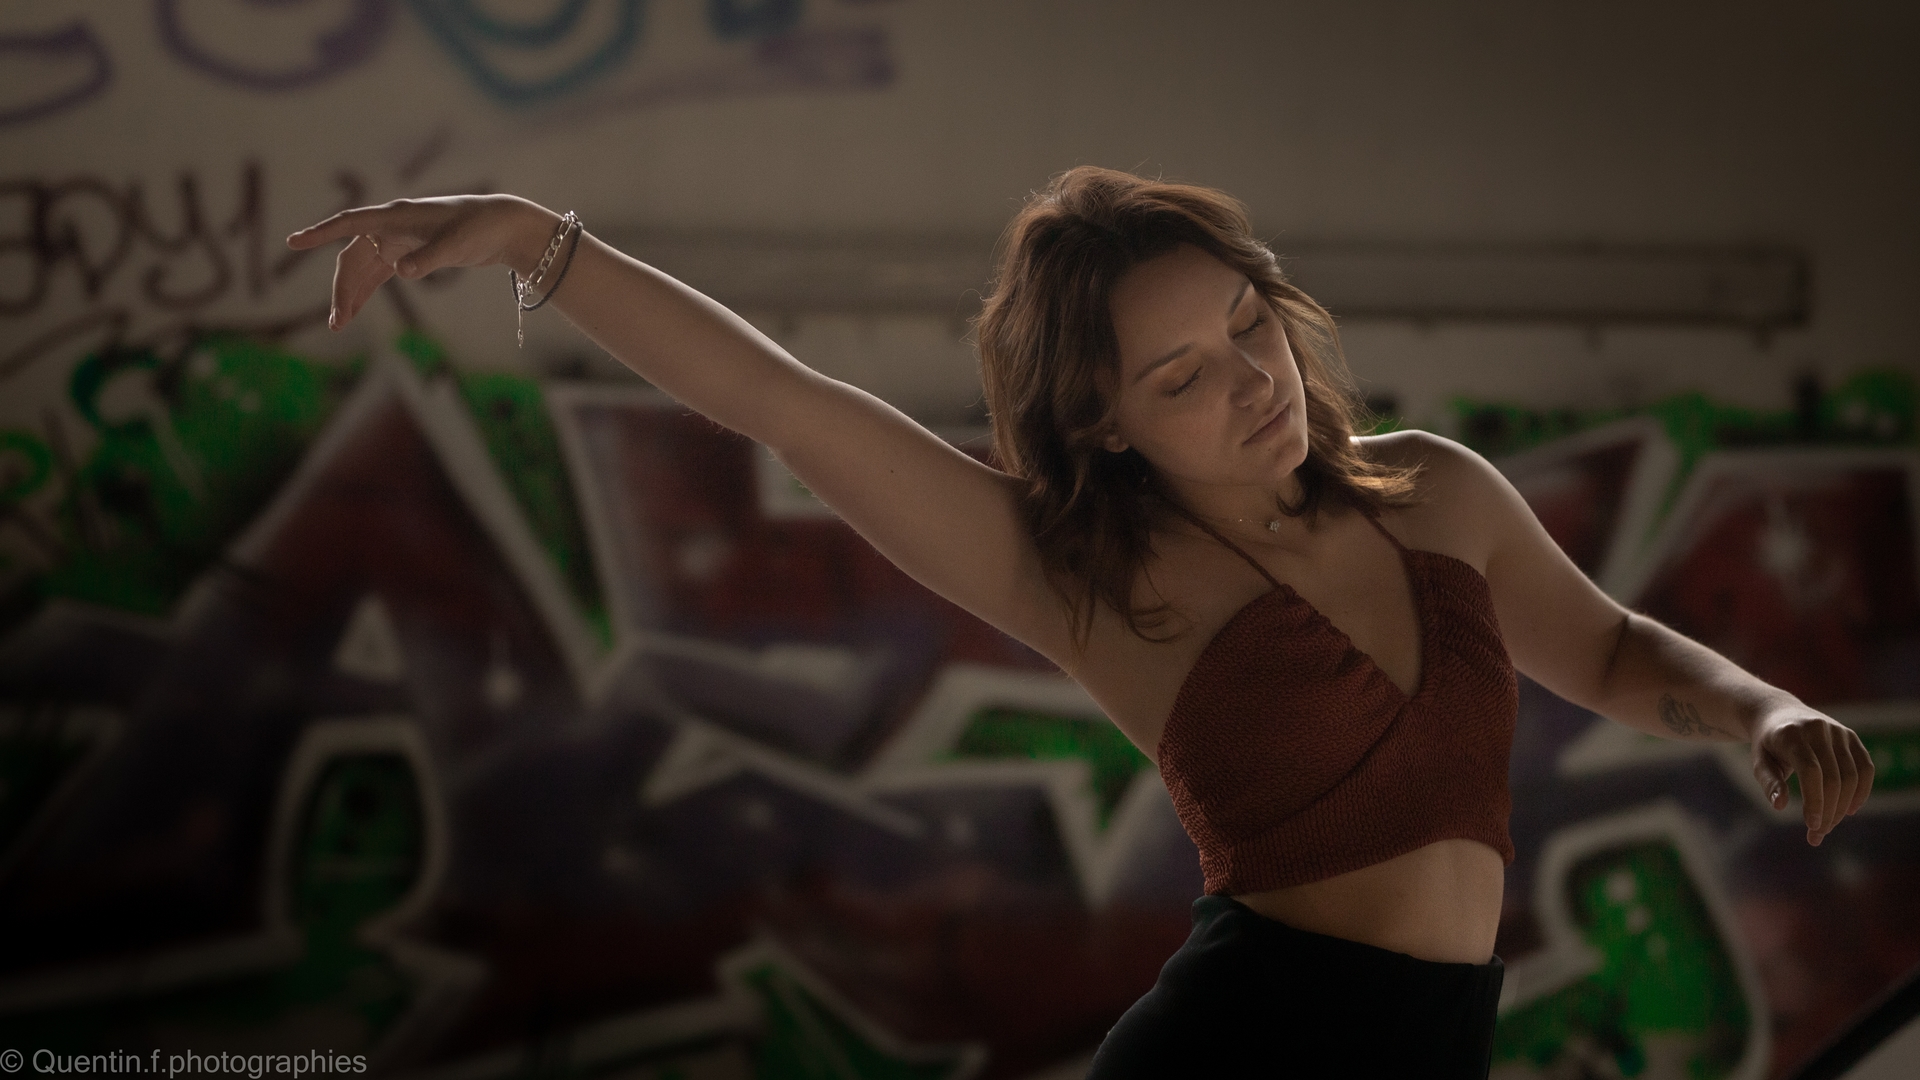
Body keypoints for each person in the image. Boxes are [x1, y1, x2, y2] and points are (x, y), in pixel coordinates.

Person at [289, 167, 1873, 1077]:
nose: (1251, 382)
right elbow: (783, 401)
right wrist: (533, 240)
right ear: (1106, 421)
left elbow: (1609, 651)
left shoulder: (1438, 490)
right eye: (1183, 376)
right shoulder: (1086, 579)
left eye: (1249, 327)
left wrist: (1764, 709)